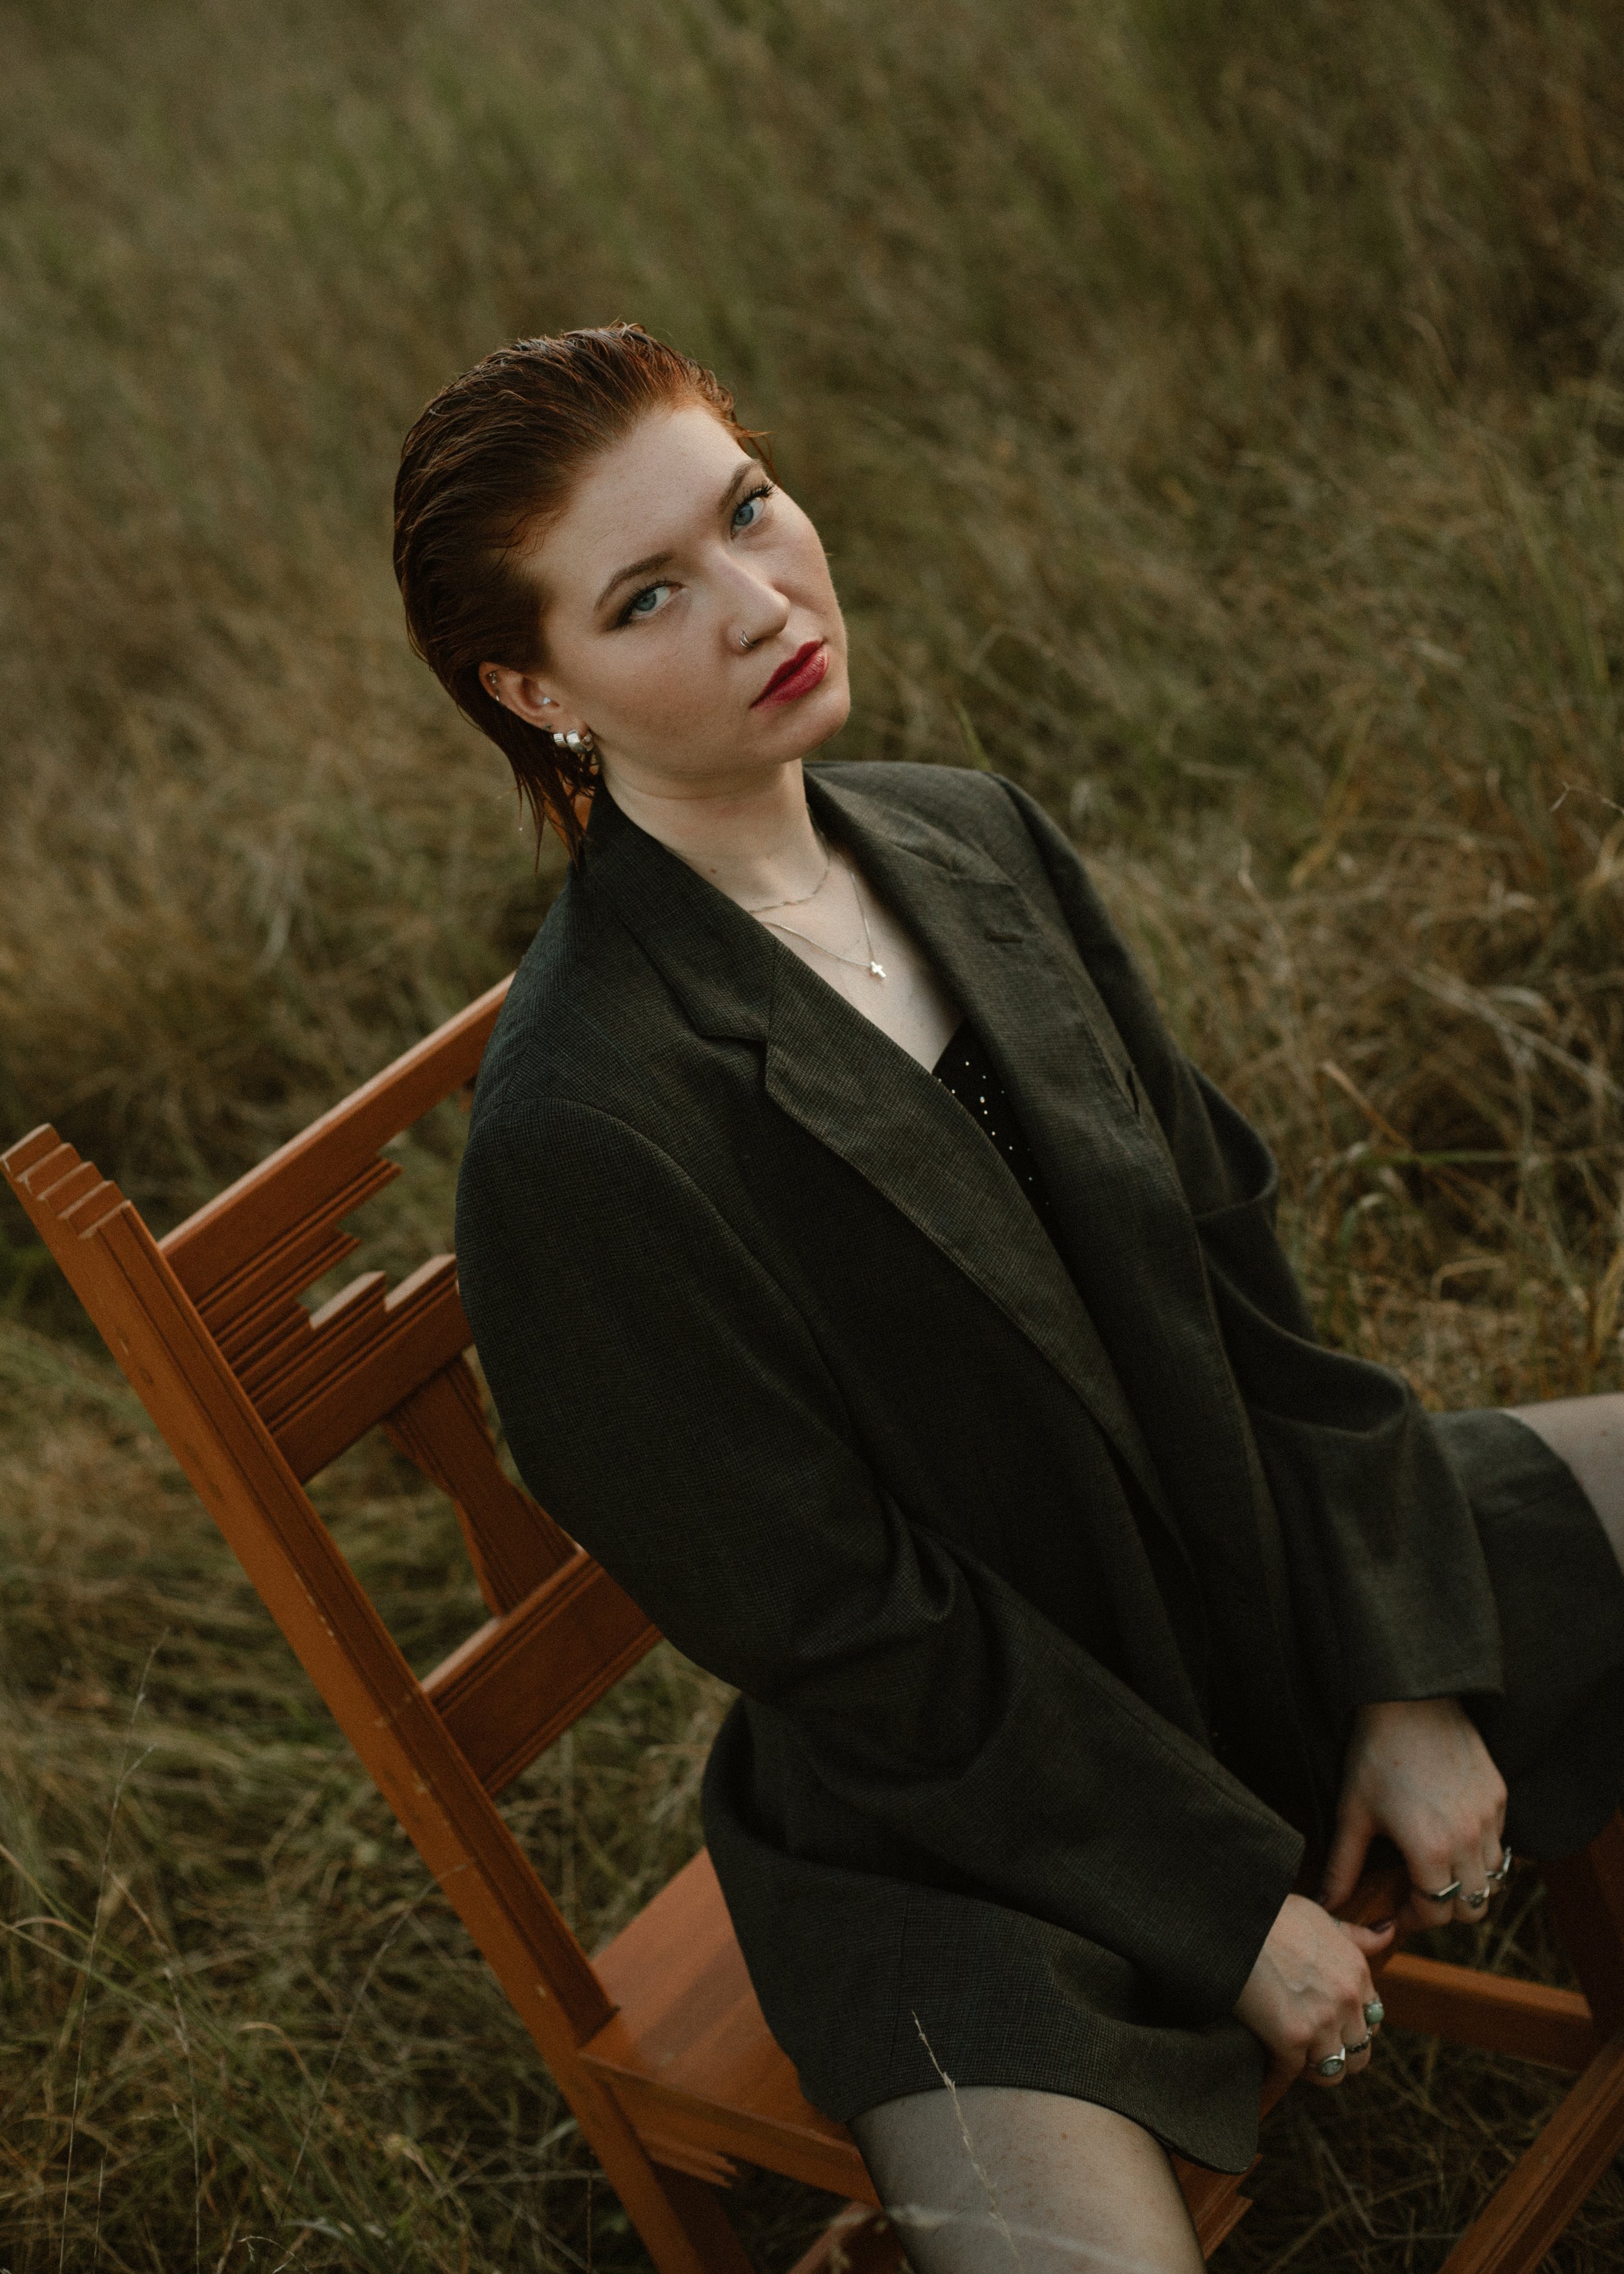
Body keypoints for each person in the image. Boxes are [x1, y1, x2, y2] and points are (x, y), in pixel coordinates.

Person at [392, 325, 1624, 2273]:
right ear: (532, 686)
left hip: (1253, 1581)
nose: (757, 601)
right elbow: (851, 1637)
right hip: (967, 1807)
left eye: (746, 510)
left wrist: (1399, 1654)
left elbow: (1232, 1262)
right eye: (648, 596)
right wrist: (1219, 1899)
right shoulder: (580, 1132)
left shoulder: (970, 834)